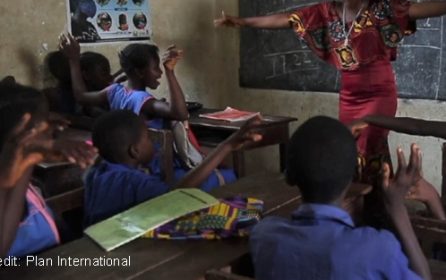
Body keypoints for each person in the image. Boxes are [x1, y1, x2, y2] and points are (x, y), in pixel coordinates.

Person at [215, 0, 446, 182]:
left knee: (368, 145)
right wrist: (241, 22)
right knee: (349, 148)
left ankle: (375, 203)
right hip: (349, 95)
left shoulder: (382, 9)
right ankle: (363, 200)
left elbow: (422, 9)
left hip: (379, 93)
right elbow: (286, 19)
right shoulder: (326, 12)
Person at [249, 116, 433, 280]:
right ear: (354, 176)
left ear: (289, 177)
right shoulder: (377, 249)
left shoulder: (263, 235)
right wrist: (396, 207)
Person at [60, 34, 236, 191]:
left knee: (212, 156)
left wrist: (73, 60)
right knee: (227, 170)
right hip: (158, 167)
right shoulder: (144, 101)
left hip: (133, 163)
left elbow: (81, 96)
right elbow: (180, 113)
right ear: (139, 72)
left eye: (161, 68)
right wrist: (170, 72)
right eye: (156, 68)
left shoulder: (114, 91)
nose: (158, 72)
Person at [84, 110, 261, 226]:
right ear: (134, 151)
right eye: (147, 137)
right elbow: (177, 196)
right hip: (128, 254)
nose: (152, 142)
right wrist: (227, 146)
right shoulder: (134, 182)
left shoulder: (97, 171)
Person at [0, 83, 97, 257]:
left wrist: (28, 159)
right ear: (22, 135)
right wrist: (25, 160)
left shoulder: (26, 185)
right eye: (43, 124)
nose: (53, 132)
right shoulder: (10, 181)